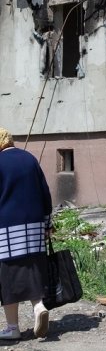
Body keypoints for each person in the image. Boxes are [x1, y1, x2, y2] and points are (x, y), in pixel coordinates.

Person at [0, 128, 52, 340]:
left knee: (8, 279)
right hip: (34, 229)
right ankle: (39, 307)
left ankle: (13, 328)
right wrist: (47, 224)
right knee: (33, 270)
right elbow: (45, 193)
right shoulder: (29, 159)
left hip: (6, 232)